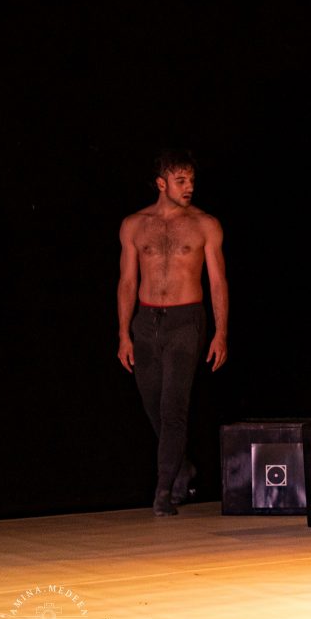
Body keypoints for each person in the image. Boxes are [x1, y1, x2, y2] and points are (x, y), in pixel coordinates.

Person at [117, 149, 229, 516]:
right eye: (181, 181)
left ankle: (164, 491)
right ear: (161, 184)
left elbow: (218, 281)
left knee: (173, 408)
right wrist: (123, 333)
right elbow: (127, 281)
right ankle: (183, 468)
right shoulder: (135, 225)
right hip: (147, 321)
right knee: (153, 404)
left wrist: (221, 332)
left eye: (192, 180)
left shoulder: (204, 224)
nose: (189, 187)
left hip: (186, 321)